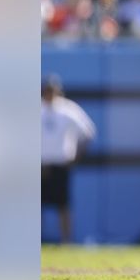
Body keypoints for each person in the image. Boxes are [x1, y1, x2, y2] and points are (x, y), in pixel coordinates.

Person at [41, 74, 95, 244]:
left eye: (52, 90)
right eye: (47, 90)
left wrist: (76, 157)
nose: (50, 93)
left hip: (60, 165)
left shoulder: (68, 109)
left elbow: (88, 132)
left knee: (63, 205)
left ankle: (66, 240)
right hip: (39, 166)